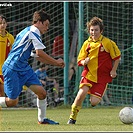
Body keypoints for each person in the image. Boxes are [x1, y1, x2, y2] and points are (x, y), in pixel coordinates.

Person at [1, 9, 65, 125]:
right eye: (46, 25)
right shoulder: (34, 31)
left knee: (42, 93)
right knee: (12, 101)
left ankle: (42, 120)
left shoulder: (27, 31)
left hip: (24, 68)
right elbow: (40, 53)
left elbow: (37, 56)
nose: (47, 28)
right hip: (13, 68)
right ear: (39, 22)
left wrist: (55, 62)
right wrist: (56, 62)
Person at [67, 16, 121, 124]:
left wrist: (113, 71)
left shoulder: (108, 43)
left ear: (101, 30)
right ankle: (72, 117)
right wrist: (84, 62)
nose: (94, 32)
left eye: (96, 30)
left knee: (94, 102)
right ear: (89, 30)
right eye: (92, 30)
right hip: (88, 74)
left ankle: (92, 92)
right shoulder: (86, 44)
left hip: (102, 77)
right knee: (81, 94)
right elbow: (79, 60)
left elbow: (117, 57)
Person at [0, 14, 14, 97]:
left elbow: (14, 53)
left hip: (4, 69)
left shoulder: (11, 38)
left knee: (2, 93)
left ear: (6, 24)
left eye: (3, 23)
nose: (2, 25)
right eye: (0, 23)